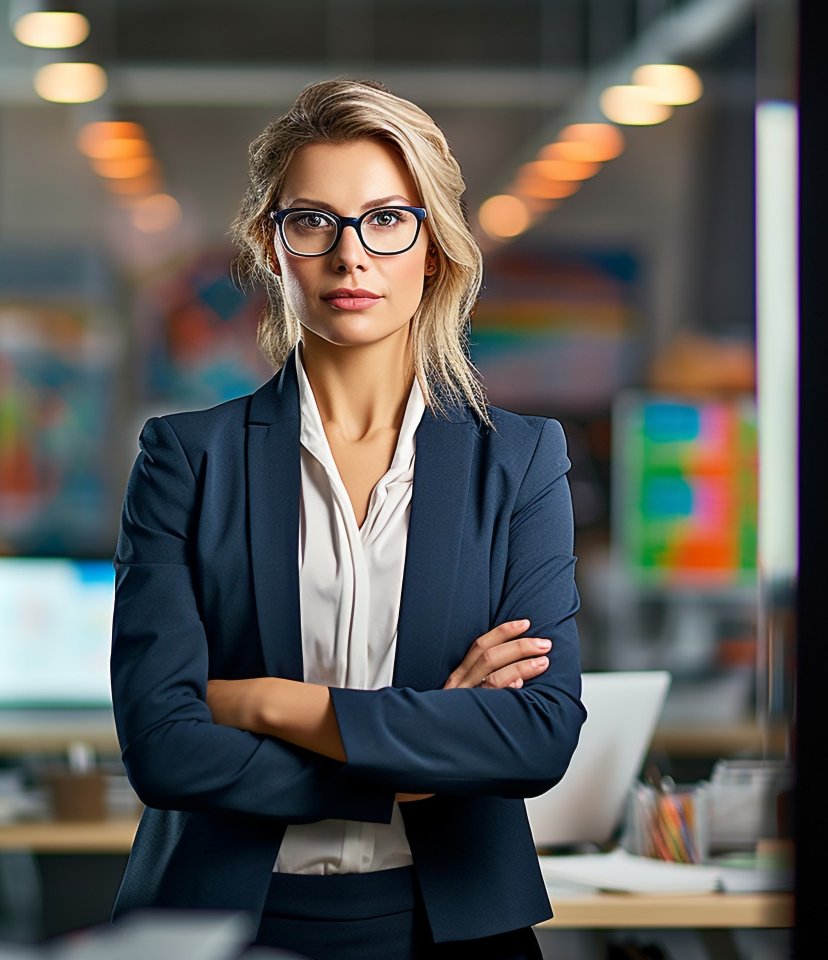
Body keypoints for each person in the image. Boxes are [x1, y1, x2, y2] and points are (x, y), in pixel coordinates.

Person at [109, 78, 586, 960]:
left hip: (454, 926)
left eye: (386, 219)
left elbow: (536, 736)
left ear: (434, 248)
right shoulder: (187, 458)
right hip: (221, 924)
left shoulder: (518, 460)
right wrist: (416, 758)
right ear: (271, 245)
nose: (350, 256)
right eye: (313, 221)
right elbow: (164, 749)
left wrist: (264, 702)